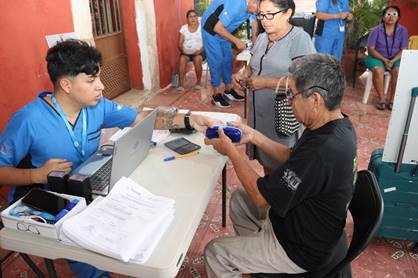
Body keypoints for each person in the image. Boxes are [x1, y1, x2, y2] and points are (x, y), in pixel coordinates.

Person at [0, 39, 213, 277]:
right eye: (92, 81)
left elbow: (141, 118)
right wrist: (35, 174)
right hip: (51, 199)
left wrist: (187, 119)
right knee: (90, 254)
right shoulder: (28, 119)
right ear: (66, 85)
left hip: (89, 185)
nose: (101, 86)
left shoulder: (97, 106)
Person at [204, 54, 357, 276]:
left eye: (292, 95)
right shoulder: (334, 124)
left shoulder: (323, 149)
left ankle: (258, 258)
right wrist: (254, 136)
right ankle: (256, 260)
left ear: (315, 100)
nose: (288, 101)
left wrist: (230, 152)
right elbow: (291, 155)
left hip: (300, 248)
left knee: (215, 253)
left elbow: (260, 196)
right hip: (300, 223)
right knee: (238, 200)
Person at [233, 0, 315, 171]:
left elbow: (304, 80)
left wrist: (264, 82)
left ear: (287, 13)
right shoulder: (262, 38)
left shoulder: (299, 39)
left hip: (281, 115)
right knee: (266, 163)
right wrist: (243, 75)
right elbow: (252, 66)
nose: (264, 19)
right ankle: (270, 193)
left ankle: (277, 196)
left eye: (270, 14)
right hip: (258, 114)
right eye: (261, 15)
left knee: (282, 164)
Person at [201, 0, 259, 108]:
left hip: (224, 30)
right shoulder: (236, 4)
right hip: (211, 29)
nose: (258, 12)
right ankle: (216, 94)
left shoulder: (253, 8)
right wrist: (236, 41)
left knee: (227, 59)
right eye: (258, 8)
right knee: (216, 61)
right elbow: (217, 27)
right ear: (252, 1)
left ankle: (229, 91)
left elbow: (254, 22)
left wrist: (256, 42)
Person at [366, 5, 408, 111]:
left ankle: (392, 99)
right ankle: (381, 99)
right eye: (388, 14)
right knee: (378, 70)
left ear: (398, 17)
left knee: (398, 71)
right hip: (376, 57)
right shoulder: (376, 30)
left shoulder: (403, 31)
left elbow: (404, 49)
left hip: (396, 58)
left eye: (394, 14)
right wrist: (384, 60)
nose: (391, 17)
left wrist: (392, 61)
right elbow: (371, 49)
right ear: (383, 17)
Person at [177, 9, 204, 92]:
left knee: (197, 59)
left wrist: (200, 50)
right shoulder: (184, 28)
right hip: (186, 53)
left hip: (198, 52)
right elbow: (180, 43)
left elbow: (206, 42)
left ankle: (198, 83)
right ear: (187, 19)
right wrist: (183, 50)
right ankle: (181, 84)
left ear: (197, 18)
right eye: (190, 17)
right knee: (182, 59)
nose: (193, 18)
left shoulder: (202, 28)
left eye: (194, 16)